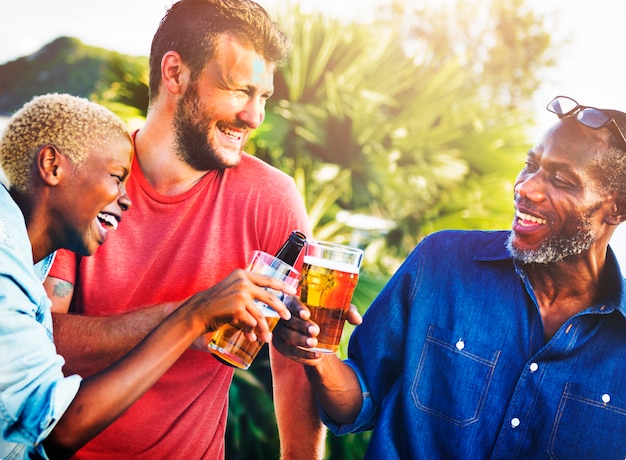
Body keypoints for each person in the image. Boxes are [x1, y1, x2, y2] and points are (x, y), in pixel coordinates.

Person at [44, 0, 326, 458]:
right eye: (239, 90)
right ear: (174, 73)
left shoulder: (272, 200)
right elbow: (42, 342)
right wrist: (189, 317)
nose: (255, 117)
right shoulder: (83, 179)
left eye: (264, 97)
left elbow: (294, 366)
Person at [272, 95, 626, 458]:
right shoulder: (441, 262)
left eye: (562, 180)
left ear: (617, 207)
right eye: (530, 165)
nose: (526, 188)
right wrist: (316, 354)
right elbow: (356, 403)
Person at [0, 93, 295, 460]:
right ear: (52, 166)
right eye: (115, 178)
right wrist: (193, 316)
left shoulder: (28, 261)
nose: (126, 199)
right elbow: (58, 430)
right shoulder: (4, 268)